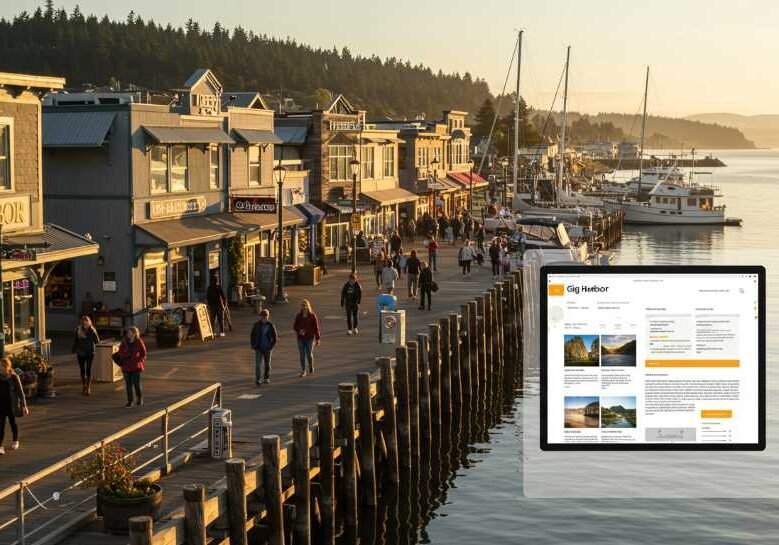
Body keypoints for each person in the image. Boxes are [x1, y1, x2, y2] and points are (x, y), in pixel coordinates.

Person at [0, 357, 27, 454]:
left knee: (12, 423)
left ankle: (15, 440)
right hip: (1, 405)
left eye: (2, 367)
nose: (0, 368)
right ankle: (0, 446)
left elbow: (21, 392)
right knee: (1, 425)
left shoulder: (14, 377)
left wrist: (24, 406)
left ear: (7, 367)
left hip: (11, 404)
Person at [117, 327, 146, 408]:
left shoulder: (139, 341)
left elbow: (143, 353)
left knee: (137, 384)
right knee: (128, 385)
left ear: (134, 333)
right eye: (128, 332)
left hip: (136, 366)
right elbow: (120, 352)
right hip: (126, 366)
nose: (128, 334)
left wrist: (139, 360)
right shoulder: (124, 341)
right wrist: (126, 356)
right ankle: (130, 401)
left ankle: (140, 399)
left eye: (130, 333)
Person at [72, 316, 100, 396]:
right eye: (83, 322)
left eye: (86, 322)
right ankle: (84, 385)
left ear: (89, 322)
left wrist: (92, 333)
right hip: (81, 352)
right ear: (81, 323)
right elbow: (75, 340)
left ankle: (88, 387)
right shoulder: (78, 330)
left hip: (90, 352)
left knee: (88, 369)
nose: (85, 324)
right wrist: (74, 349)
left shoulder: (92, 330)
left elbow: (97, 341)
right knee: (82, 369)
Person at [293, 300, 320, 377]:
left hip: (309, 338)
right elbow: (295, 326)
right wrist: (299, 330)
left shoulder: (312, 316)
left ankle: (311, 365)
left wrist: (318, 338)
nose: (304, 307)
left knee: (309, 354)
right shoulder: (299, 316)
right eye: (302, 306)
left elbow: (316, 327)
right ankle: (303, 370)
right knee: (302, 355)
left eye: (305, 305)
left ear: (308, 306)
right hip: (300, 338)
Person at [250, 309, 277, 385]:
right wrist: (253, 344)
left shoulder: (271, 325)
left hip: (267, 348)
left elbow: (275, 337)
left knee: (267, 364)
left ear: (268, 317)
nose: (264, 318)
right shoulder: (256, 325)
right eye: (263, 316)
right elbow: (252, 335)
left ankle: (266, 377)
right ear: (260, 317)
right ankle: (258, 379)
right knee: (258, 365)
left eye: (266, 316)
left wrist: (272, 346)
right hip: (258, 347)